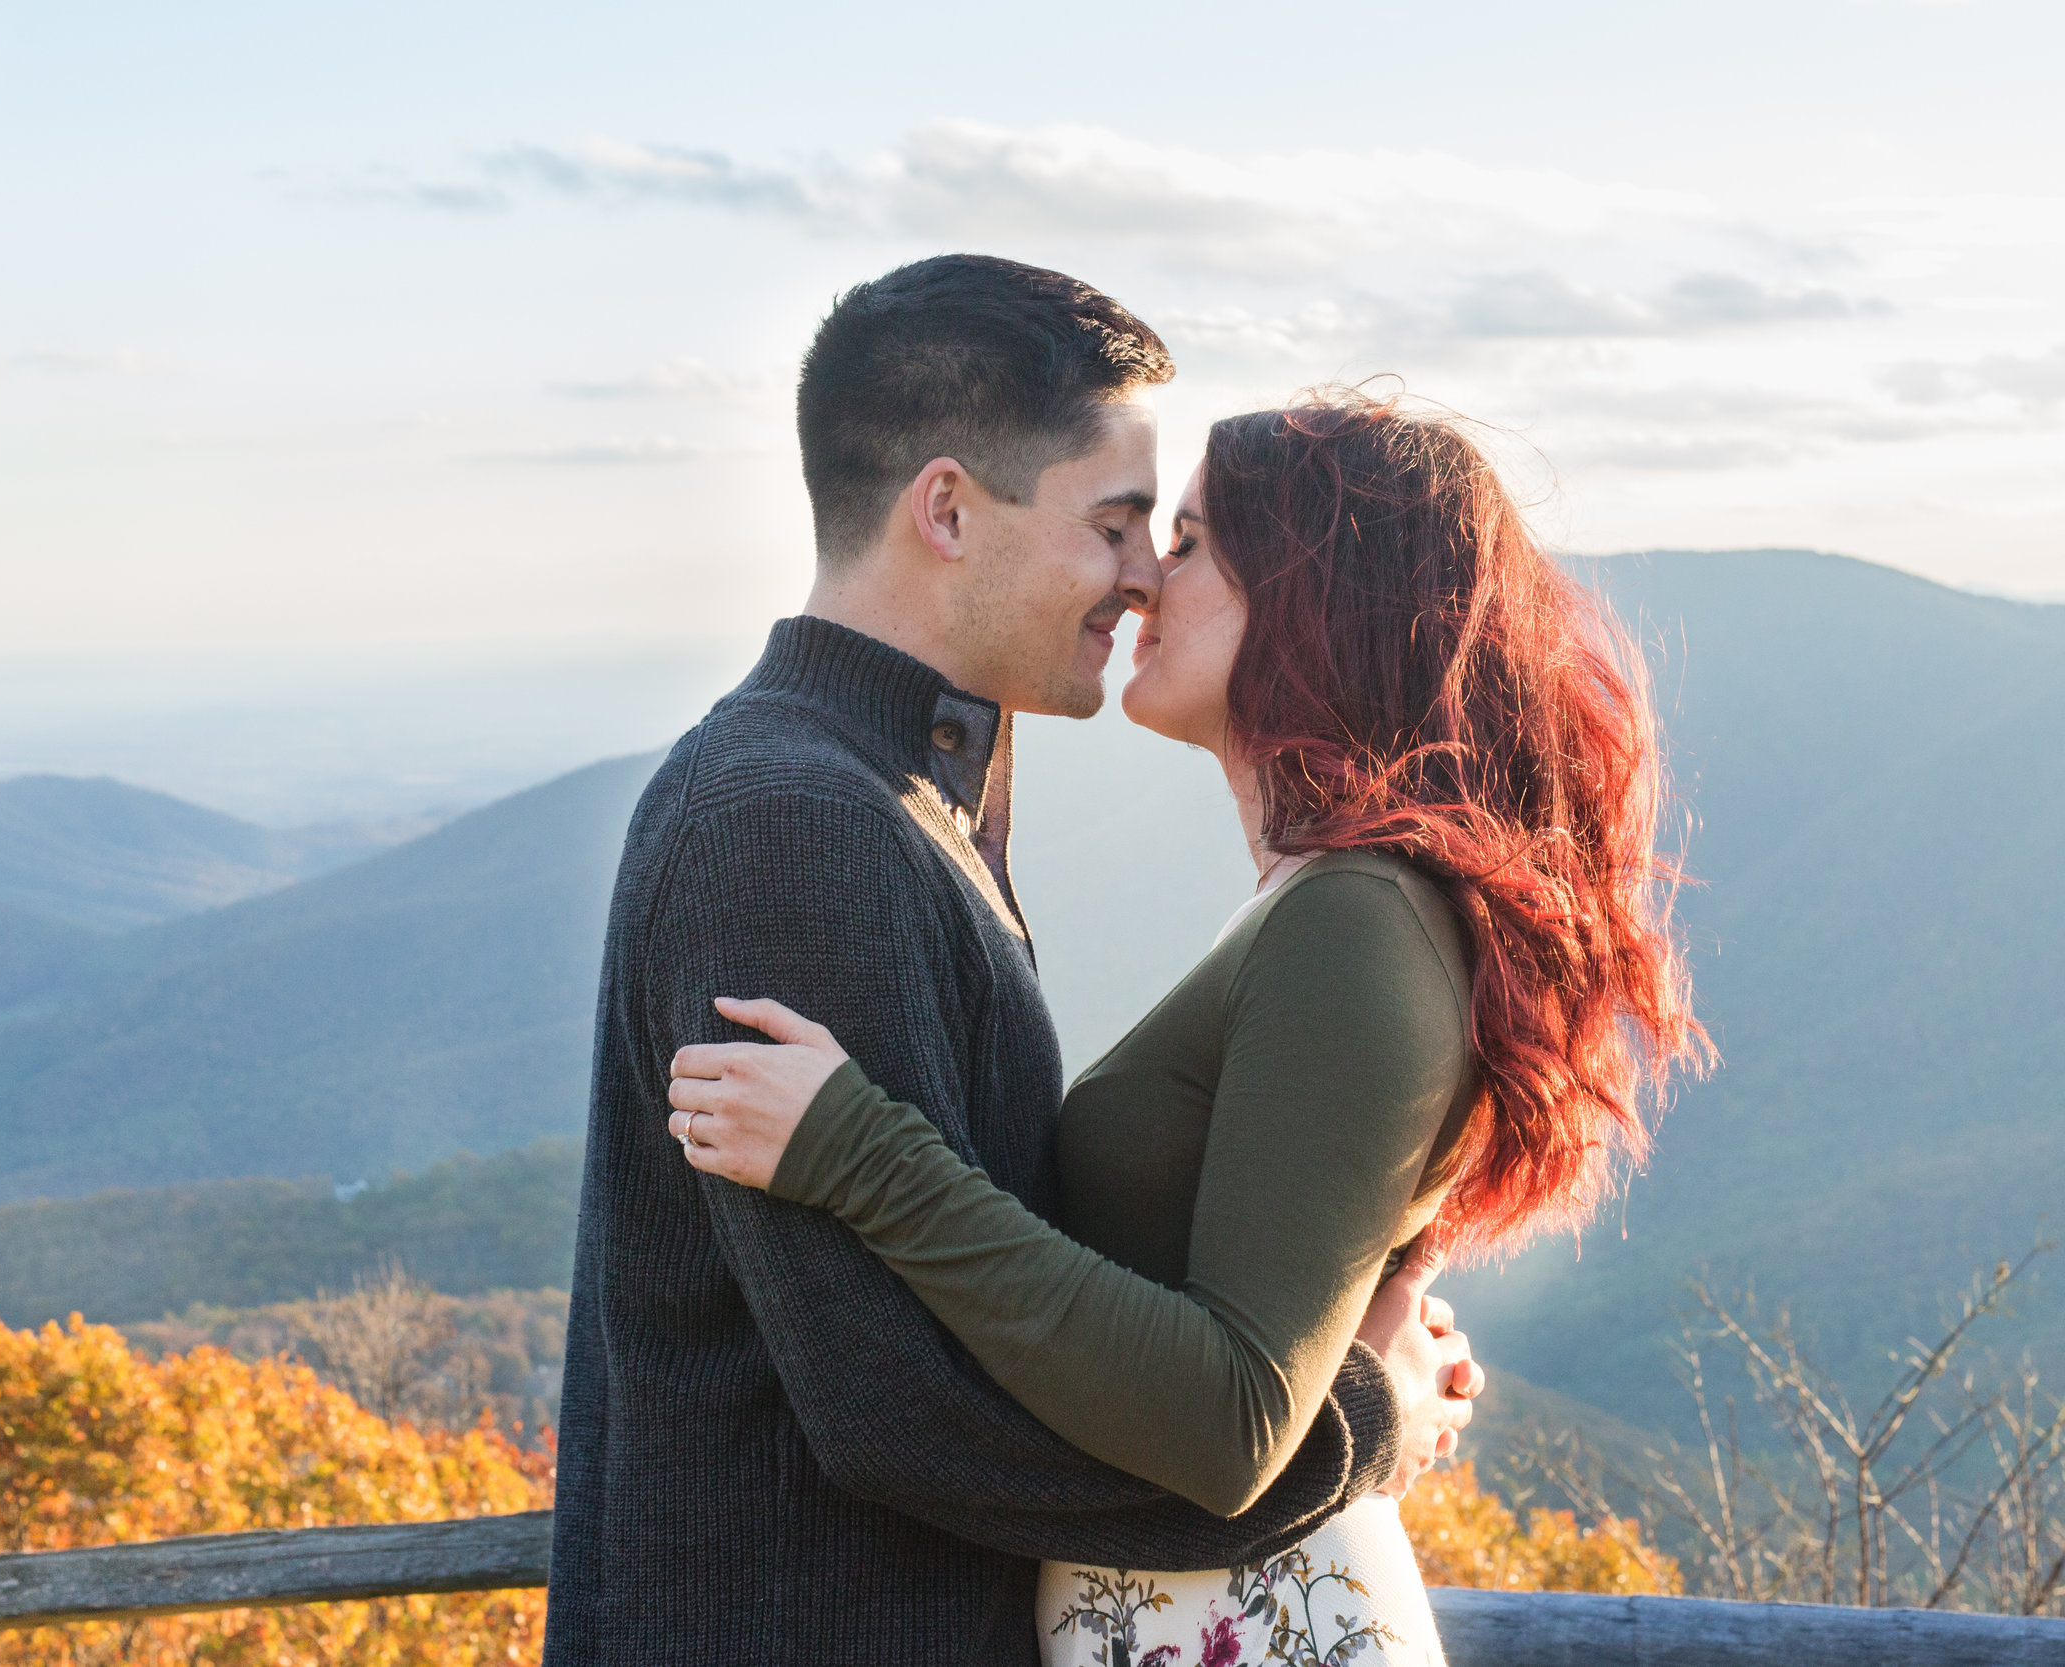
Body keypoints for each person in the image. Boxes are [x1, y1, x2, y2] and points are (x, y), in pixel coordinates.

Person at [667, 389, 1709, 1665]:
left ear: (1320, 596)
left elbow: (1231, 1417)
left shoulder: (1357, 917)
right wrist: (1369, 1394)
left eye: (1196, 540)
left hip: (1254, 1625)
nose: (1147, 582)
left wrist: (862, 1155)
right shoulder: (1323, 904)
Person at [548, 259, 1480, 1666]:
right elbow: (907, 1401)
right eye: (1113, 524)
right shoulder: (796, 825)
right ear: (946, 508)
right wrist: (1356, 1422)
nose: (1140, 575)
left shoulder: (900, 790)